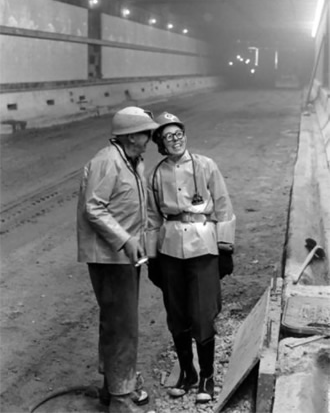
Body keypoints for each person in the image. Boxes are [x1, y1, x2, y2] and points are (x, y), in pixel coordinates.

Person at [146, 111, 235, 404]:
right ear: (160, 142)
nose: (175, 141)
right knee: (177, 312)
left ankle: (207, 376)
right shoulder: (157, 174)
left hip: (203, 245)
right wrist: (152, 258)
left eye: (179, 134)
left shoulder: (206, 165)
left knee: (203, 311)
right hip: (170, 247)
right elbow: (151, 218)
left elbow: (222, 206)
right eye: (168, 137)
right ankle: (188, 373)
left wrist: (225, 248)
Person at [76, 106, 159, 413]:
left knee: (116, 321)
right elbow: (94, 209)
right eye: (143, 133)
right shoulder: (107, 162)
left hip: (124, 253)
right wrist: (125, 240)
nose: (148, 138)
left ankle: (111, 390)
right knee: (123, 325)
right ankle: (122, 400)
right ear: (128, 136)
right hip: (109, 256)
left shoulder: (133, 160)